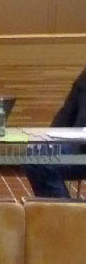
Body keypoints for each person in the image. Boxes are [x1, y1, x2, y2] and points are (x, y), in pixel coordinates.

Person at [25, 66, 86, 198]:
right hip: (79, 146)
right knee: (36, 156)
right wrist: (48, 138)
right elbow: (66, 114)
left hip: (81, 148)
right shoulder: (84, 79)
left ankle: (63, 210)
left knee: (40, 160)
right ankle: (61, 208)